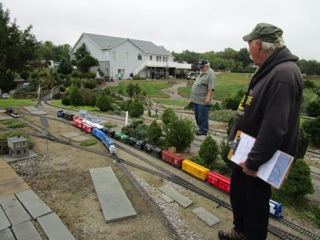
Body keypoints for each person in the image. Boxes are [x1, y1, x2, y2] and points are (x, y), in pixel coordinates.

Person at [218, 23, 303, 240]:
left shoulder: (283, 74)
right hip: (246, 150)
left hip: (259, 157)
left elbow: (275, 126)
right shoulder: (271, 69)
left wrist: (254, 161)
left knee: (254, 202)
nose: (248, 49)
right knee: (240, 194)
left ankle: (251, 236)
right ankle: (240, 231)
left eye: (249, 44)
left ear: (258, 44)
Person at [190, 59, 216, 136]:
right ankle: (200, 128)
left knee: (203, 116)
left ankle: (203, 130)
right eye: (199, 67)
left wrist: (208, 97)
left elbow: (211, 88)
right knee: (198, 116)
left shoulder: (211, 74)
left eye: (202, 67)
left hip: (203, 100)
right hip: (196, 99)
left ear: (207, 66)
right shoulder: (202, 72)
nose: (200, 68)